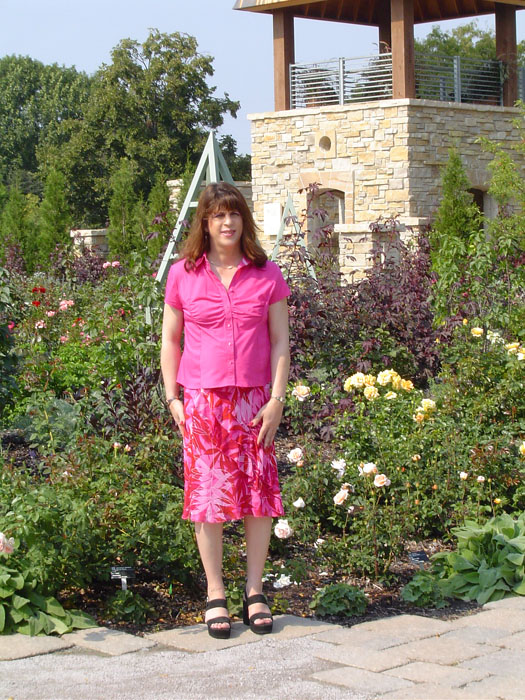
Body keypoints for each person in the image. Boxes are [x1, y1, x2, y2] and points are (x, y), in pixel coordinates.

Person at [161, 182, 290, 639]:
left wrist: (277, 400)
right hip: (203, 401)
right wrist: (173, 397)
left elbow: (280, 341)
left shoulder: (266, 273)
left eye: (234, 214)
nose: (227, 222)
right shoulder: (183, 274)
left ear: (244, 220)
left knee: (258, 497)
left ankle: (255, 590)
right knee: (208, 497)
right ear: (205, 221)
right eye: (218, 215)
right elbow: (170, 340)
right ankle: (215, 592)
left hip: (255, 402)